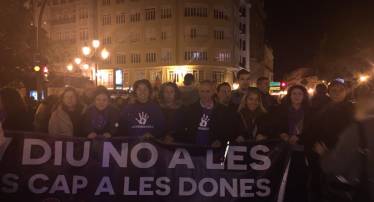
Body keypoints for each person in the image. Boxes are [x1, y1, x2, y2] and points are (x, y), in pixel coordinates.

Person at [314, 85, 374, 202]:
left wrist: (324, 155)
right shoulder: (322, 110)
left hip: (355, 183)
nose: (336, 93)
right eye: (333, 91)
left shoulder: (356, 129)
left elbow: (335, 164)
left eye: (340, 90)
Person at [271, 85, 314, 202]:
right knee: (285, 178)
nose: (296, 96)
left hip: (302, 150)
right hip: (284, 150)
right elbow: (275, 126)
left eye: (299, 94)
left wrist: (299, 137)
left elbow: (313, 130)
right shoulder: (282, 110)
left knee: (300, 179)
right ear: (289, 96)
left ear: (304, 96)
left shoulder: (310, 111)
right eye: (294, 93)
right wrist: (281, 133)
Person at [181, 80, 236, 147]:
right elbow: (185, 127)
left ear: (213, 92)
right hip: (194, 148)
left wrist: (220, 140)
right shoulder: (191, 109)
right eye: (202, 91)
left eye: (208, 91)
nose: (205, 94)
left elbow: (226, 130)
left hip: (214, 149)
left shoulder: (222, 110)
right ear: (198, 92)